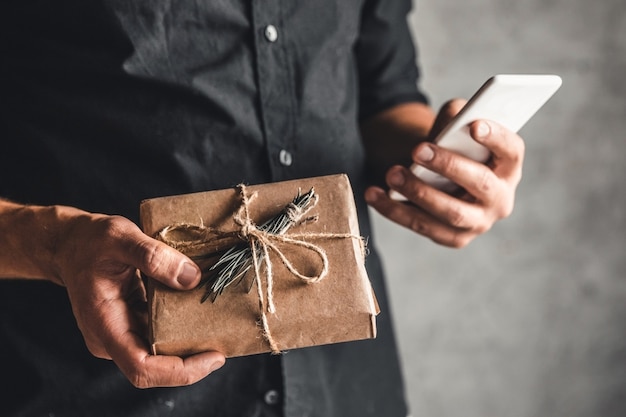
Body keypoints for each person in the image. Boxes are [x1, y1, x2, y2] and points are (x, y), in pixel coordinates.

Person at [0, 0, 523, 416]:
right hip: (97, 382)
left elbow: (386, 97)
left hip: (343, 384)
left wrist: (443, 164)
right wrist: (54, 243)